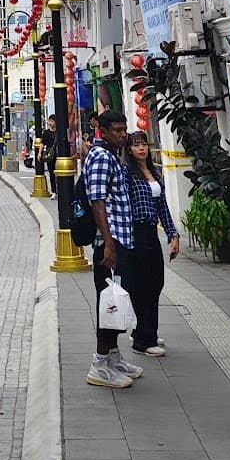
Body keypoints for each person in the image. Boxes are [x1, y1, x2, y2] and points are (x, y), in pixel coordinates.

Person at [84, 110, 141, 389]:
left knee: (117, 301)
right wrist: (108, 243)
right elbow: (97, 201)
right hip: (111, 242)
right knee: (110, 303)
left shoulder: (114, 155)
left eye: (124, 129)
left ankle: (113, 358)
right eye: (117, 130)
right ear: (103, 131)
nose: (123, 134)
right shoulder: (100, 157)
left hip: (122, 239)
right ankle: (99, 362)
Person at [124, 131, 180, 357]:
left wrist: (173, 234)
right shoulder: (128, 174)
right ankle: (144, 339)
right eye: (136, 145)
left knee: (155, 283)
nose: (141, 149)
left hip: (150, 233)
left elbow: (163, 207)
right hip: (135, 233)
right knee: (142, 286)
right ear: (129, 150)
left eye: (144, 144)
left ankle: (146, 331)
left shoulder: (155, 172)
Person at [41, 114, 58, 193]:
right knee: (51, 173)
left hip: (58, 155)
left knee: (58, 173)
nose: (50, 123)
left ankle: (59, 190)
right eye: (49, 121)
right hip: (50, 156)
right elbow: (42, 143)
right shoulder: (46, 133)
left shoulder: (59, 132)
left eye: (52, 121)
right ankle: (54, 191)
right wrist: (39, 153)